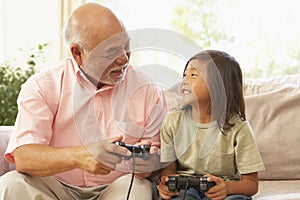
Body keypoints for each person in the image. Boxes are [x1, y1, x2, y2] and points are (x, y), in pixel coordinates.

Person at [0, 2, 166, 200]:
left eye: (126, 46)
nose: (124, 59)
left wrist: (149, 164)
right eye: (111, 51)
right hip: (55, 186)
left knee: (139, 189)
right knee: (11, 184)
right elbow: (24, 157)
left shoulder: (147, 90)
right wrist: (80, 156)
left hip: (116, 187)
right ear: (77, 53)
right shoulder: (42, 86)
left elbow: (157, 160)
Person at [157, 50, 265, 200]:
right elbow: (168, 171)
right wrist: (166, 185)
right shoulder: (173, 121)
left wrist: (227, 188)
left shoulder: (238, 128)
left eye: (193, 75)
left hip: (222, 190)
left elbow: (251, 184)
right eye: (184, 75)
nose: (184, 81)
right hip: (186, 188)